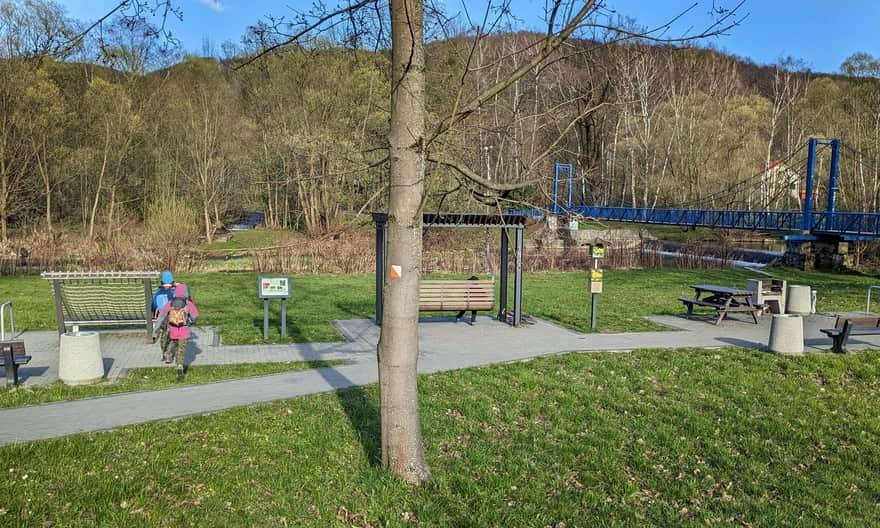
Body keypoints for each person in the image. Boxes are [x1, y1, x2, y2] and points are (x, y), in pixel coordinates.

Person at [157, 283, 199, 380]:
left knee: (175, 347)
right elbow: (195, 315)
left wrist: (155, 331)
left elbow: (161, 316)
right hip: (184, 331)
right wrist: (191, 321)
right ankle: (180, 366)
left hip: (173, 331)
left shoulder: (170, 302)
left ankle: (169, 356)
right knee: (181, 350)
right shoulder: (188, 303)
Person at [150, 271, 176, 350]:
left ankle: (164, 352)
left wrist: (155, 311)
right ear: (172, 281)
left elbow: (153, 305)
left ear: (162, 282)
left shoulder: (158, 292)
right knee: (171, 333)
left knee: (164, 333)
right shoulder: (173, 291)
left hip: (161, 316)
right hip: (172, 316)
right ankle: (169, 353)